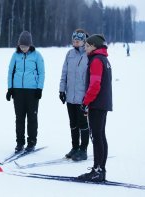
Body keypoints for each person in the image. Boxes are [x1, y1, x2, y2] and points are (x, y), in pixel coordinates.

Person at [77, 34, 113, 182]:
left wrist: (86, 102)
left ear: (93, 46)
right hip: (102, 103)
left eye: (87, 46)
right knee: (100, 136)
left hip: (97, 104)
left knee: (96, 137)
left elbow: (94, 85)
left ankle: (97, 170)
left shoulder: (96, 60)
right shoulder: (103, 59)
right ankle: (100, 169)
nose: (85, 48)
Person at [6, 31, 45, 153]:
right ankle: (20, 142)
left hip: (32, 91)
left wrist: (39, 88)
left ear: (30, 45)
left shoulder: (37, 55)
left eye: (25, 46)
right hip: (18, 91)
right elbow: (10, 72)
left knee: (32, 117)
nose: (23, 48)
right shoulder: (15, 55)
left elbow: (41, 73)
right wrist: (10, 88)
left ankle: (31, 142)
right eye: (21, 46)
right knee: (19, 118)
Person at [59, 29, 90, 161]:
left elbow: (90, 78)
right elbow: (64, 73)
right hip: (70, 96)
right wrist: (61, 90)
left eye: (78, 40)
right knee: (73, 123)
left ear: (84, 41)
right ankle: (75, 147)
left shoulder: (88, 55)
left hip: (83, 97)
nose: (75, 42)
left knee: (83, 123)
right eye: (74, 40)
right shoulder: (69, 54)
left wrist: (88, 97)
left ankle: (83, 150)